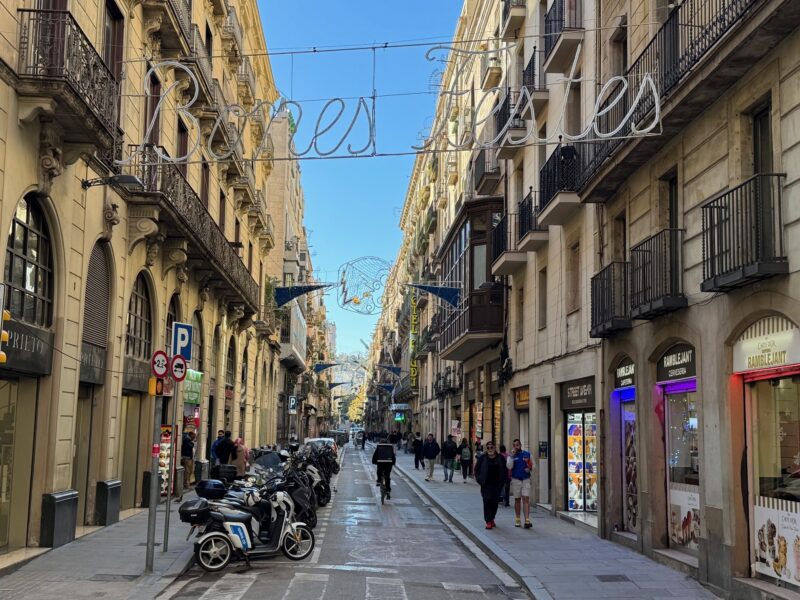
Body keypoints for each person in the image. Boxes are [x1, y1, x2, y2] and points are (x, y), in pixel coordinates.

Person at [475, 441, 505, 529]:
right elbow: (476, 470)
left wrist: (503, 481)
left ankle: (492, 518)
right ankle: (488, 521)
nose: (490, 449)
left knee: (495, 503)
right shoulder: (482, 458)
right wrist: (479, 479)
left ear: (495, 448)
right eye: (488, 447)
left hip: (497, 485)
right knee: (487, 501)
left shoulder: (500, 458)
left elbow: (505, 470)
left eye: (491, 447)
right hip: (486, 485)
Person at [507, 438, 533, 528]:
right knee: (517, 500)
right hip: (516, 480)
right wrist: (511, 456)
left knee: (526, 498)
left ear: (520, 445)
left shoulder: (527, 454)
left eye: (517, 445)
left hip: (526, 480)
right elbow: (509, 467)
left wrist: (529, 469)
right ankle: (518, 519)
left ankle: (527, 520)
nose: (516, 447)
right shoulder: (511, 456)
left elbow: (533, 466)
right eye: (514, 445)